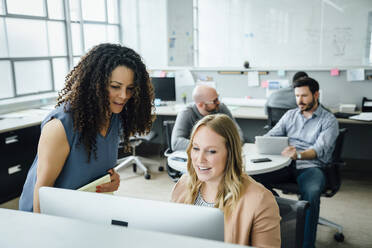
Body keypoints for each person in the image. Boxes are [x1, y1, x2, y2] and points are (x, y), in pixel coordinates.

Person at [19, 43, 154, 212]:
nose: (124, 95)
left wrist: (113, 180)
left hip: (84, 209)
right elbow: (42, 190)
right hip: (47, 214)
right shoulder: (60, 126)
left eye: (130, 89)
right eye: (115, 87)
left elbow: (93, 172)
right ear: (95, 84)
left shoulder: (115, 116)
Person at [171, 114, 281, 247]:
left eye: (211, 151)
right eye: (196, 148)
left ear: (230, 154)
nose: (200, 159)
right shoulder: (183, 185)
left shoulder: (260, 201)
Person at [253, 77, 339, 248]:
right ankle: (278, 218)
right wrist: (265, 142)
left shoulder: (329, 121)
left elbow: (318, 150)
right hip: (284, 164)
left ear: (316, 94)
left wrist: (298, 155)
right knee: (253, 181)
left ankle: (306, 244)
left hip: (311, 166)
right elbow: (272, 134)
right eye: (297, 96)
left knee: (312, 193)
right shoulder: (290, 115)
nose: (300, 100)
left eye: (304, 96)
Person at [171, 84, 243, 151]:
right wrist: (209, 147)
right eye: (214, 101)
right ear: (201, 105)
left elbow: (237, 132)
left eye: (217, 98)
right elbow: (176, 143)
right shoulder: (186, 113)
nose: (218, 102)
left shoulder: (221, 108)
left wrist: (231, 145)